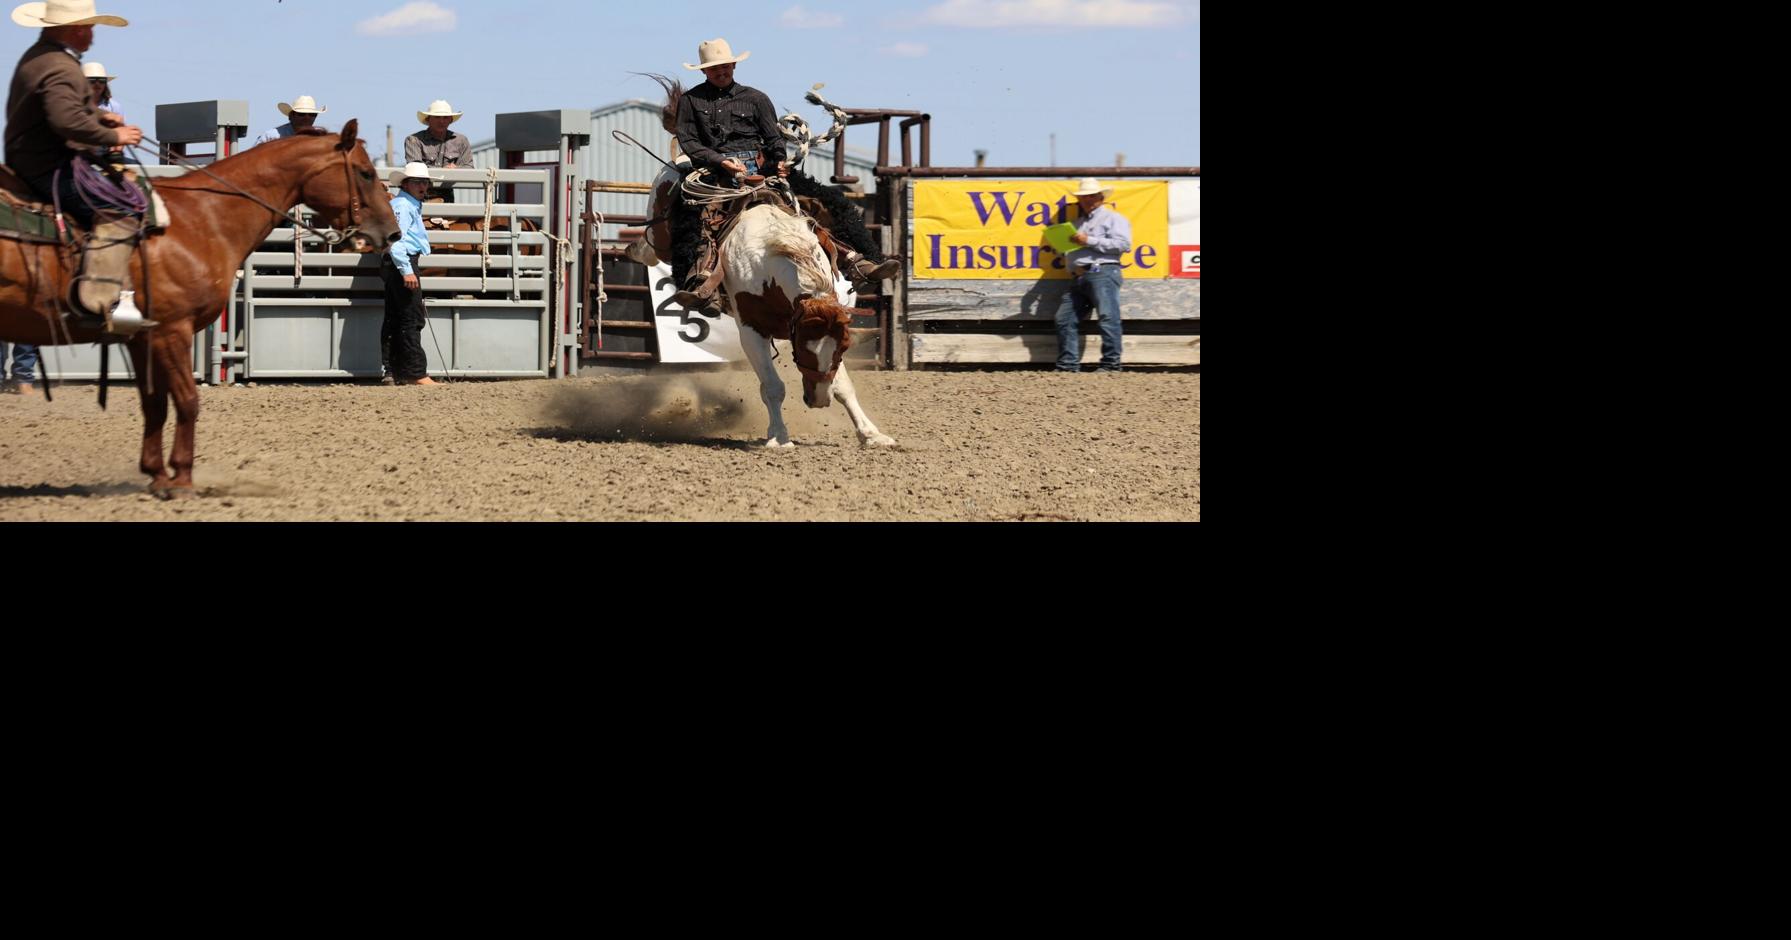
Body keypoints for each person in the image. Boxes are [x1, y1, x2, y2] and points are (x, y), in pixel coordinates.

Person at [668, 38, 898, 314]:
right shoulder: (691, 102)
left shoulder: (756, 99)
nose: (721, 72)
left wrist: (779, 161)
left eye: (725, 66)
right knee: (686, 214)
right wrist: (721, 161)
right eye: (714, 68)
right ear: (704, 71)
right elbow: (690, 142)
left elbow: (773, 138)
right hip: (715, 171)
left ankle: (863, 263)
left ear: (733, 65)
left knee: (831, 202)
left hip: (762, 168)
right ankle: (697, 286)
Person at [5, 0, 146, 332]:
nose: (93, 34)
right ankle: (100, 304)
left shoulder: (41, 57)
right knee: (120, 209)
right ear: (78, 29)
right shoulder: (60, 67)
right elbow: (65, 120)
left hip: (31, 157)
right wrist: (114, 134)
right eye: (91, 27)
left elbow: (61, 105)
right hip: (48, 165)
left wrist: (99, 114)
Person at [1054, 178, 1131, 373]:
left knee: (1107, 317)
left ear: (1101, 197)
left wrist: (1088, 240)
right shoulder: (1077, 223)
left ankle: (1111, 364)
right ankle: (1068, 365)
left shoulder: (1114, 218)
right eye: (1083, 197)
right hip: (1080, 275)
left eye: (1091, 196)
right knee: (1064, 318)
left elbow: (1124, 245)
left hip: (1103, 270)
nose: (1087, 200)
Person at [382, 162, 438, 386]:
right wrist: (407, 271)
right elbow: (396, 240)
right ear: (405, 184)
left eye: (425, 182)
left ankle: (392, 371)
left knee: (396, 316)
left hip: (396, 262)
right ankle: (416, 372)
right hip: (403, 261)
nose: (423, 186)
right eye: (417, 182)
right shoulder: (404, 206)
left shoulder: (403, 204)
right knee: (411, 316)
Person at [404, 99, 471, 203]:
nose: (441, 121)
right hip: (420, 197)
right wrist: (445, 171)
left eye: (445, 118)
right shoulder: (414, 140)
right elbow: (416, 168)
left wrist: (457, 168)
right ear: (428, 119)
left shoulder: (461, 141)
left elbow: (469, 168)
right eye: (437, 117)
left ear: (451, 120)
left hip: (447, 198)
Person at [252, 95, 326, 145]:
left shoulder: (321, 138)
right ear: (291, 116)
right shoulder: (270, 137)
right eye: (301, 114)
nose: (307, 118)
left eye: (312, 114)